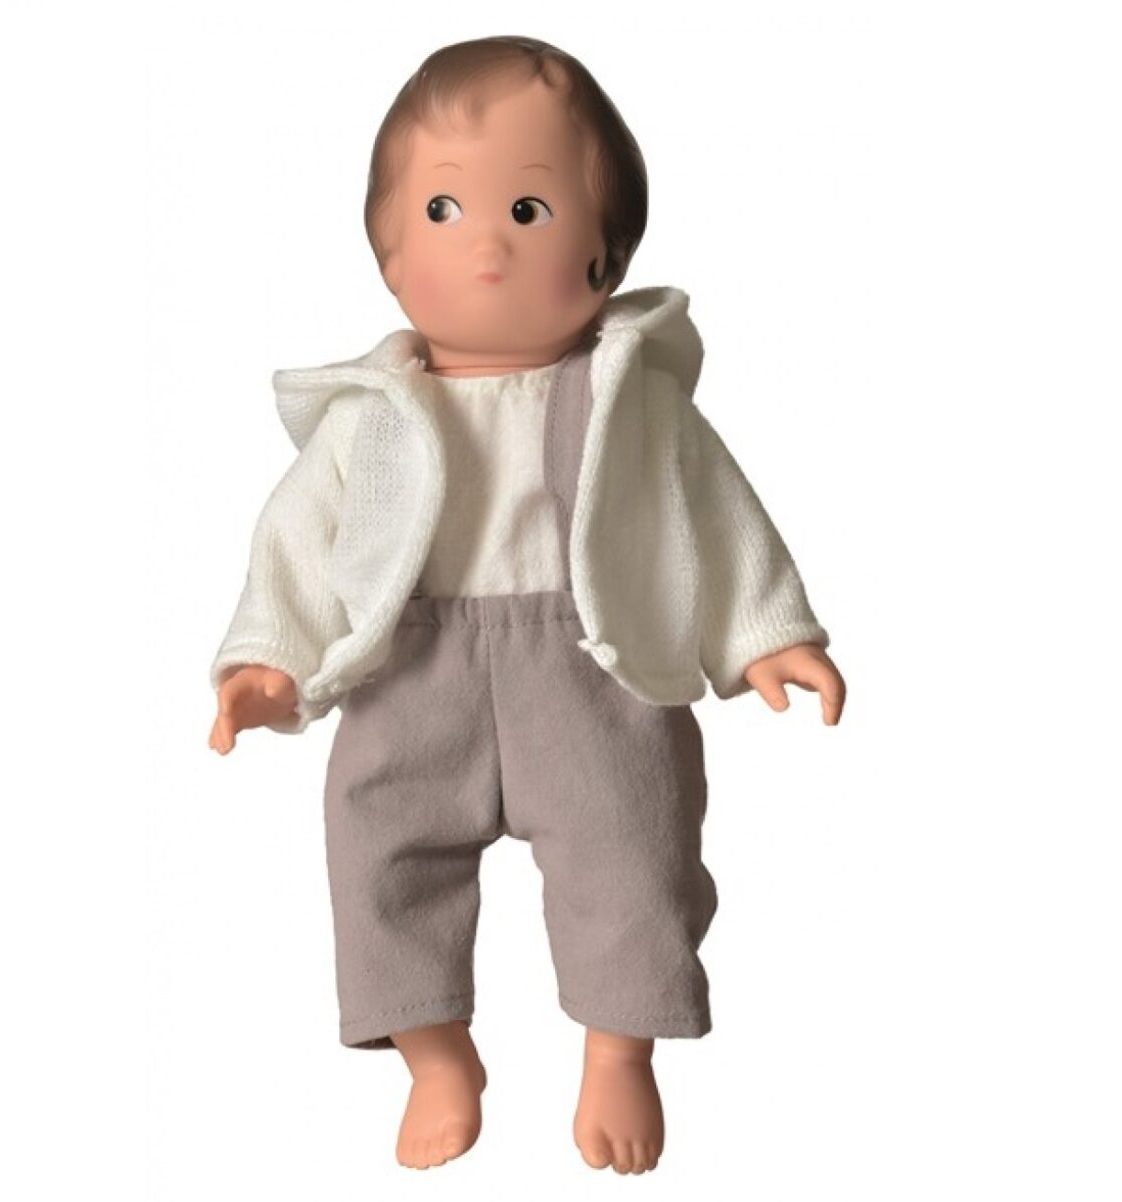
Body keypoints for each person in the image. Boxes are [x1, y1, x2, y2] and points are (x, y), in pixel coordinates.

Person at [208, 36, 846, 1175]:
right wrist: (270, 660)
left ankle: (619, 1049)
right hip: (410, 671)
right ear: (390, 256)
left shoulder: (632, 399)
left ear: (605, 256)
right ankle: (435, 1053)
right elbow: (295, 548)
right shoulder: (368, 417)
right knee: (377, 857)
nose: (488, 241)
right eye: (443, 209)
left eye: (530, 209)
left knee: (635, 854)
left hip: (596, 662)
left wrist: (767, 633)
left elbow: (713, 512)